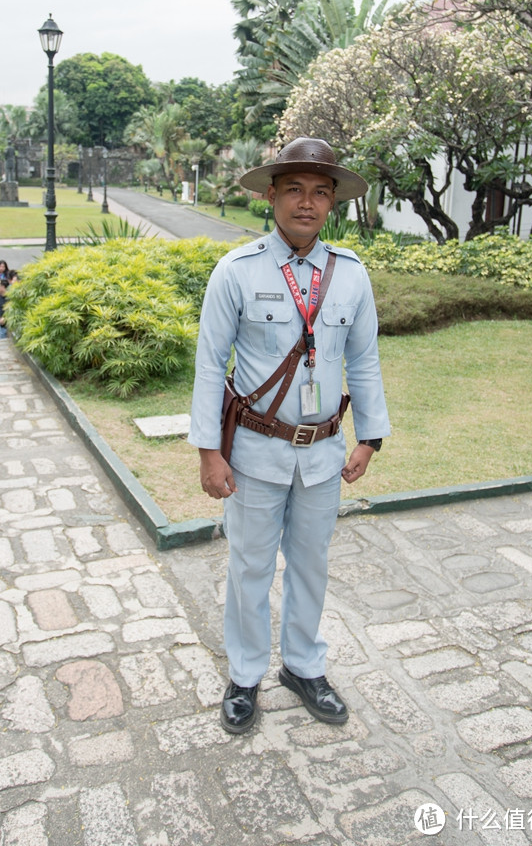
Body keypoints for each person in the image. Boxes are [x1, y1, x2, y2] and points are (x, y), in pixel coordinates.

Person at [189, 137, 390, 735]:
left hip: (325, 453)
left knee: (310, 565)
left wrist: (369, 438)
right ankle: (245, 675)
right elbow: (208, 363)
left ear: (332, 203)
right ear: (271, 196)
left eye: (320, 192)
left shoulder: (350, 275)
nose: (307, 203)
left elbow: (366, 361)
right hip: (254, 450)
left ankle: (302, 667)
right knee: (250, 566)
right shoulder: (238, 271)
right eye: (296, 189)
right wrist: (208, 453)